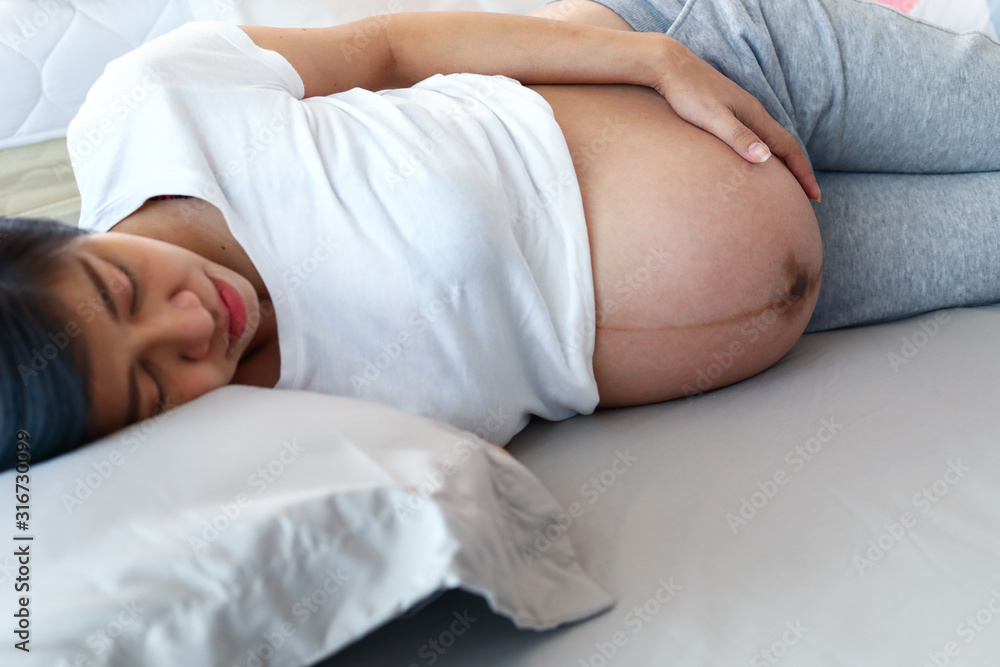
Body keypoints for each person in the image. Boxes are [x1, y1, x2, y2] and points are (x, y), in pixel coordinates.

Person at [2, 0, 999, 471]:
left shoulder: (148, 113)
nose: (188, 326)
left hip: (718, 71)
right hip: (821, 279)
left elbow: (392, 46)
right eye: (150, 382)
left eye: (120, 290)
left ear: (60, 233)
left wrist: (653, 58)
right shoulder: (234, 452)